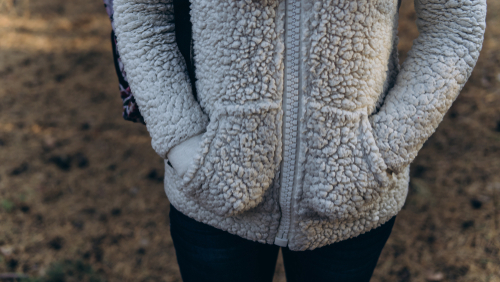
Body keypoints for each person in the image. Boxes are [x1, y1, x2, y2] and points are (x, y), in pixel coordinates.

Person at [105, 0, 487, 281]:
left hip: (351, 199)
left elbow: (456, 25)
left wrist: (383, 151)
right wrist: (181, 139)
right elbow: (141, 14)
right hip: (210, 197)